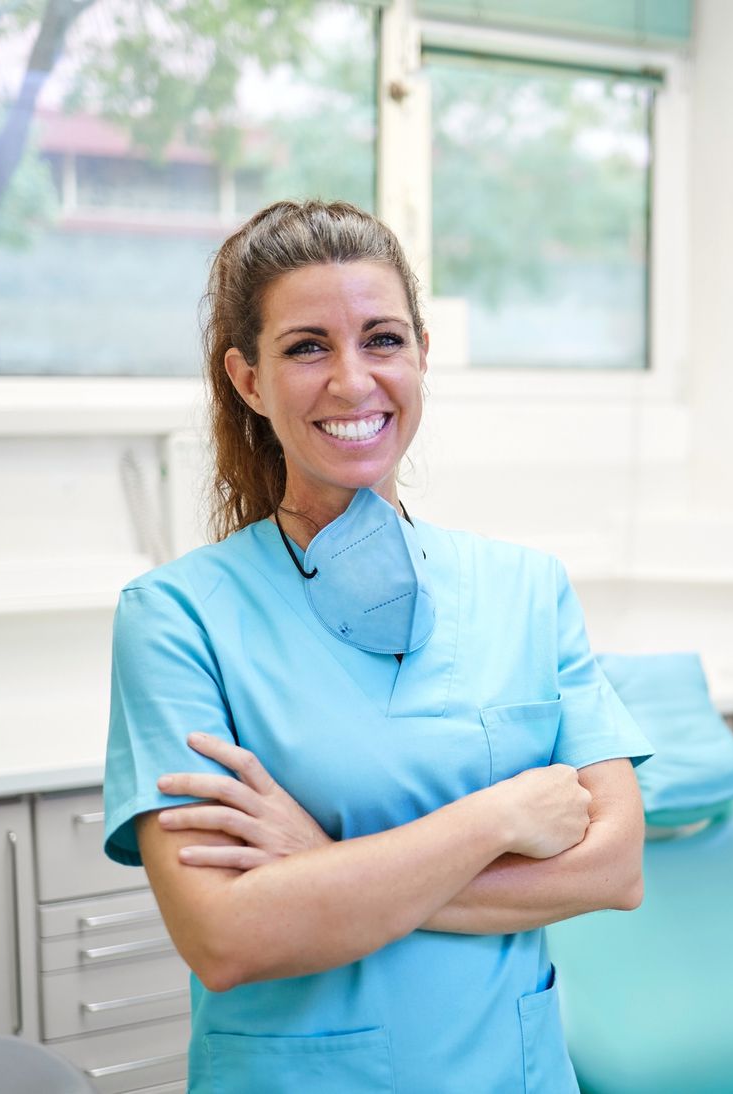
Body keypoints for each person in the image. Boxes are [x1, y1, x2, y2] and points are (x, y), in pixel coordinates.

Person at [102, 199, 651, 1093]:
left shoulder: (527, 588)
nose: (354, 382)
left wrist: (317, 871)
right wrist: (495, 821)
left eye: (384, 340)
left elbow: (615, 868)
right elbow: (228, 937)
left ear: (422, 356)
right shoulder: (176, 618)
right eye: (308, 346)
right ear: (248, 380)